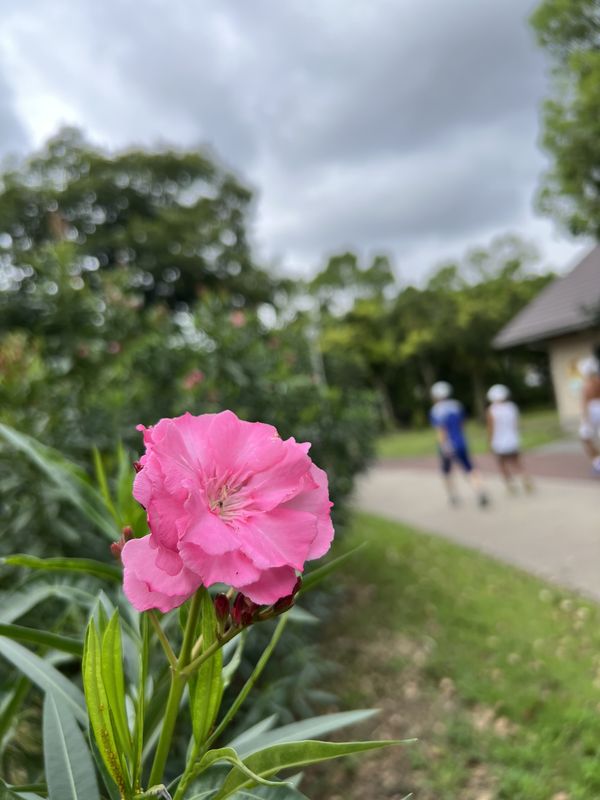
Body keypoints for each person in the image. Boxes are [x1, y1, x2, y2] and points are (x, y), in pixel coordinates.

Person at [429, 381, 489, 507]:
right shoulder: (456, 405)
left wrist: (444, 445)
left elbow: (441, 430)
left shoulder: (436, 410)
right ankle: (480, 492)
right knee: (470, 468)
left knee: (446, 472)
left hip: (447, 445)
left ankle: (453, 496)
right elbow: (462, 425)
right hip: (461, 442)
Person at [486, 384, 533, 493]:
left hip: (499, 441)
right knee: (517, 462)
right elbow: (516, 424)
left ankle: (510, 485)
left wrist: (489, 442)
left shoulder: (492, 410)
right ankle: (525, 479)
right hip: (513, 439)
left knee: (502, 464)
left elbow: (491, 428)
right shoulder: (512, 407)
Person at [578, 356, 600, 475]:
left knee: (585, 438)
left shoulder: (586, 385)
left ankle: (597, 463)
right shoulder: (598, 381)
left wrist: (584, 420)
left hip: (592, 411)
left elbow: (584, 403)